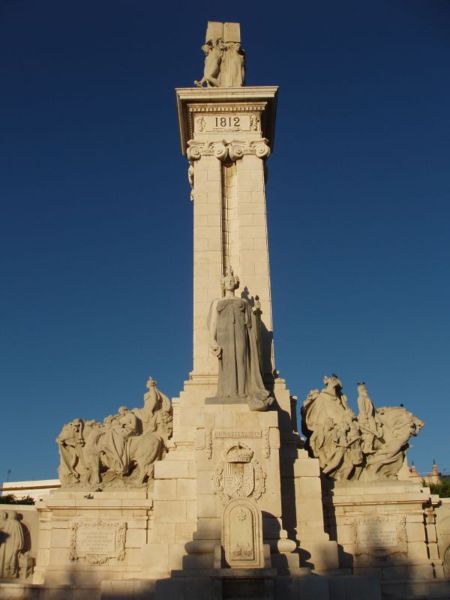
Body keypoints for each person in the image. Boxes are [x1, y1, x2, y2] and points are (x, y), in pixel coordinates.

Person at [208, 267, 273, 411]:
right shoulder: (216, 302)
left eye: (232, 280)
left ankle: (243, 391)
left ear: (235, 283)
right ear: (223, 284)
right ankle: (227, 393)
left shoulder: (243, 301)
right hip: (224, 335)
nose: (230, 282)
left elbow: (250, 324)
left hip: (240, 334)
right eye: (227, 280)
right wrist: (212, 340)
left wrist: (256, 313)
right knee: (227, 362)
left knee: (242, 359)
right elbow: (213, 322)